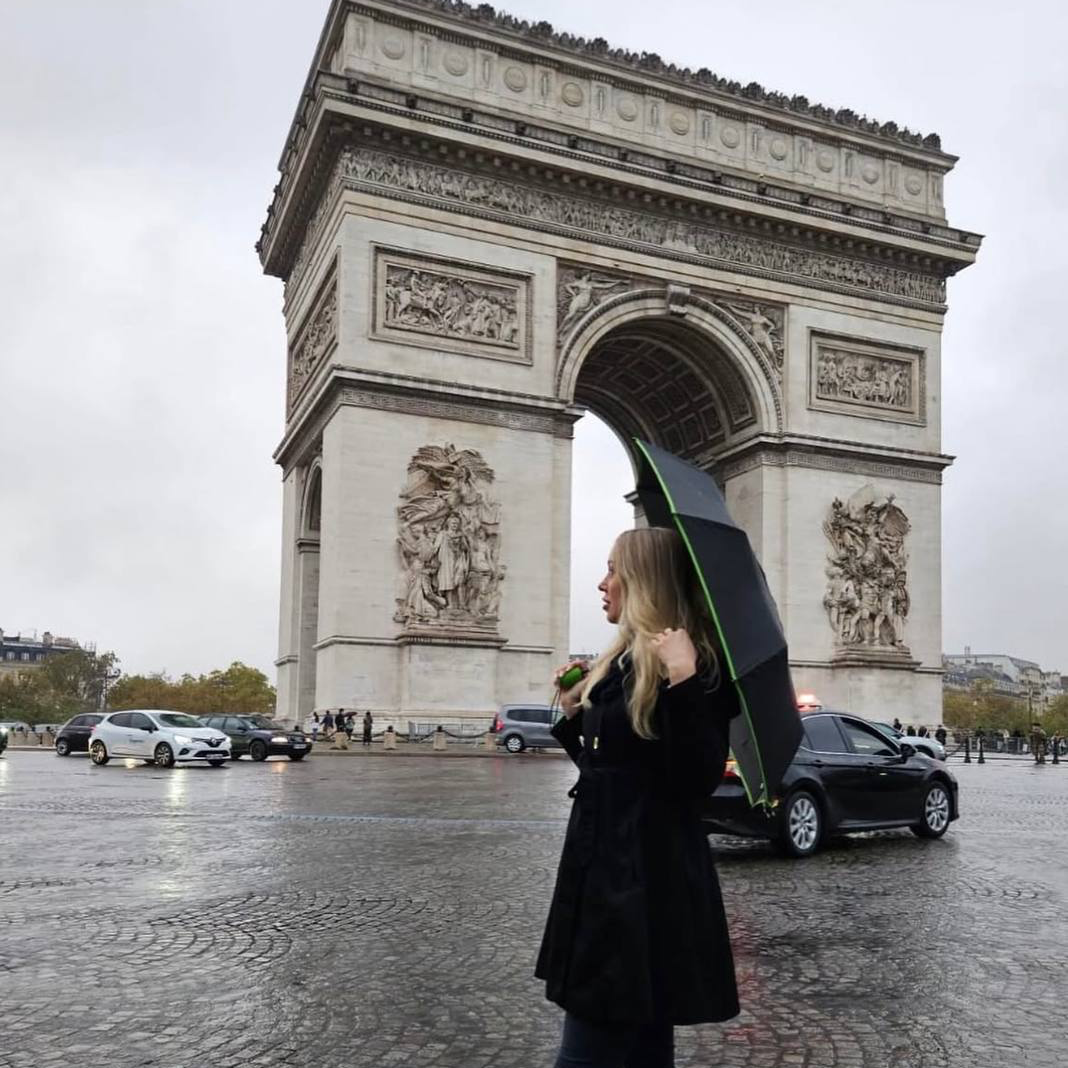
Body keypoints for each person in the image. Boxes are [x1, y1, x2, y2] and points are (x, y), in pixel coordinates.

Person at [537, 527, 740, 1068]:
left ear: (644, 581)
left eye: (613, 570)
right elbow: (607, 772)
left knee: (590, 1041)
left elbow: (697, 780)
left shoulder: (696, 665)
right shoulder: (620, 664)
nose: (602, 584)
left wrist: (684, 677)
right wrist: (575, 713)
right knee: (645, 1045)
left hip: (645, 880)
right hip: (599, 868)